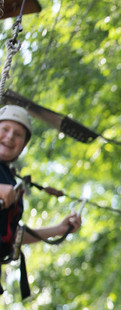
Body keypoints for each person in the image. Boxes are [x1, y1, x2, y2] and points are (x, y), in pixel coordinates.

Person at [0, 104, 82, 298]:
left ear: (23, 145)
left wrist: (58, 230)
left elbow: (14, 235)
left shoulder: (10, 179)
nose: (10, 137)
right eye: (4, 129)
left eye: (18, 134)